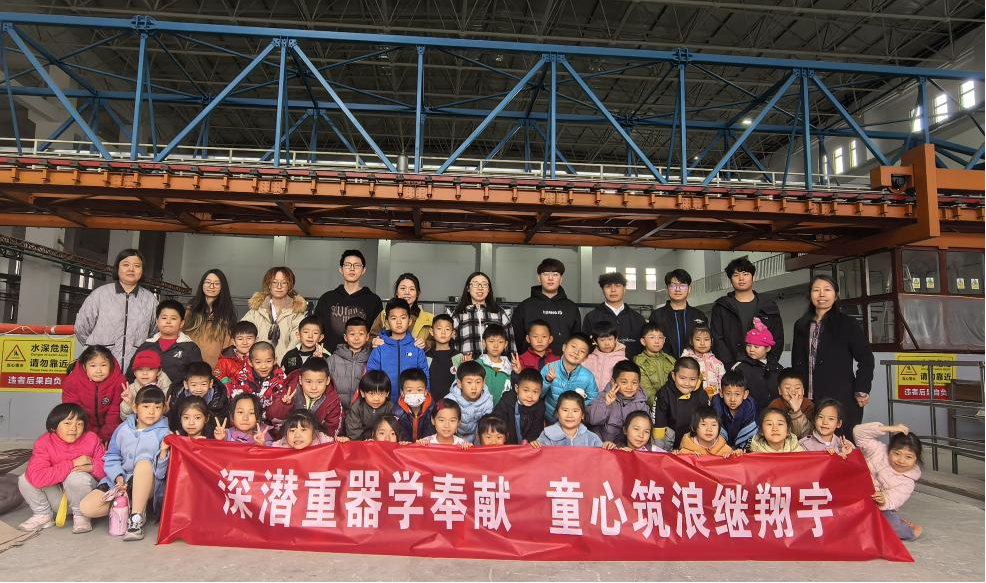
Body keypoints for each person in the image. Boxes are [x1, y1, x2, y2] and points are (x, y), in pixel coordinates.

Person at [79, 386, 170, 541]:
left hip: (149, 483)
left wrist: (163, 453)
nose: (152, 412)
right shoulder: (122, 429)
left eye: (157, 407)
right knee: (87, 508)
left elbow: (162, 473)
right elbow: (112, 456)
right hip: (121, 482)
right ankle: (128, 506)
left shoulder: (165, 432)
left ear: (163, 409)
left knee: (144, 463)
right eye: (146, 407)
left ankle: (136, 518)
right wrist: (118, 477)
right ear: (135, 407)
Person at [792, 274, 874, 438]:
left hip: (840, 397)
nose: (821, 294)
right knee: (807, 443)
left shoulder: (848, 324)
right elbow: (796, 361)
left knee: (841, 444)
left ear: (835, 295)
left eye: (827, 290)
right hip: (807, 399)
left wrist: (861, 388)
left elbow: (866, 358)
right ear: (810, 295)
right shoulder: (801, 325)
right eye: (816, 290)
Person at [17, 403, 106, 534]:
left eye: (79, 424)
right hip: (58, 499)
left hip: (86, 501)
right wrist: (72, 463)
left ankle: (81, 516)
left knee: (76, 476)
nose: (73, 428)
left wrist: (92, 466)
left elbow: (108, 469)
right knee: (25, 479)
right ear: (54, 426)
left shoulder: (91, 439)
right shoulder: (44, 442)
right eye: (67, 423)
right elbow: (37, 477)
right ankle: (43, 515)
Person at [75, 249, 157, 370]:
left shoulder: (150, 300)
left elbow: (155, 331)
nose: (131, 269)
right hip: (101, 367)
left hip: (135, 368)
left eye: (137, 266)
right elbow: (82, 327)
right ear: (117, 268)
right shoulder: (100, 295)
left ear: (142, 270)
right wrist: (96, 350)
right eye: (126, 264)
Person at [710, 257, 783, 369]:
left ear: (753, 277)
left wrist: (769, 363)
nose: (741, 278)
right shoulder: (721, 307)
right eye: (736, 275)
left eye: (745, 274)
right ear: (730, 279)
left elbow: (777, 338)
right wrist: (731, 366)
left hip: (764, 368)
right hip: (732, 368)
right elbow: (717, 339)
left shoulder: (768, 305)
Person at [854, 422, 923, 540]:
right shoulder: (878, 451)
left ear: (916, 460)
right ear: (889, 449)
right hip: (855, 493)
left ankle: (910, 531)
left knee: (890, 526)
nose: (901, 460)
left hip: (878, 506)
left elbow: (895, 498)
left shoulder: (908, 482)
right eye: (897, 453)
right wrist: (889, 428)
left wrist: (883, 500)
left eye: (908, 457)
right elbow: (858, 433)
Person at [313, 250, 384, 352]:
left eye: (357, 265)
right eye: (347, 265)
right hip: (329, 357)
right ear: (341, 269)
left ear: (363, 270)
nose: (352, 268)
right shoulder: (327, 298)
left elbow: (377, 333)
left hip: (363, 358)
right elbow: (316, 329)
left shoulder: (373, 301)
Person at [366, 298, 430, 403]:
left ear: (409, 321)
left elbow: (425, 376)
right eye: (394, 318)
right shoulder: (380, 348)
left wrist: (424, 402)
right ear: (387, 323)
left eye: (403, 318)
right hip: (384, 404)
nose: (399, 322)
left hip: (412, 405)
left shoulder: (416, 348)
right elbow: (371, 377)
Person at [512, 258, 581, 355]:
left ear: (561, 279)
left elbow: (576, 340)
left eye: (555, 274)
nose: (550, 278)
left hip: (563, 362)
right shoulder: (525, 306)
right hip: (529, 363)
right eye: (545, 274)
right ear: (539, 278)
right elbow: (516, 338)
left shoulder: (571, 308)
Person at [241, 267, 309, 363]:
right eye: (274, 282)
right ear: (269, 284)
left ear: (289, 285)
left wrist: (281, 362)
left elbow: (296, 342)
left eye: (284, 282)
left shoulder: (296, 313)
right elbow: (242, 337)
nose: (279, 286)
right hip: (257, 365)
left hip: (285, 365)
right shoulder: (256, 311)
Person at [129, 299, 202, 386]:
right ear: (157, 321)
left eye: (173, 318)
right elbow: (130, 376)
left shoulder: (190, 348)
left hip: (178, 394)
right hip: (147, 394)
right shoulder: (146, 346)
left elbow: (198, 378)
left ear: (182, 323)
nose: (168, 322)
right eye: (164, 318)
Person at [62, 346, 126, 443]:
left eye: (103, 365)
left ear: (111, 365)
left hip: (112, 432)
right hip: (82, 431)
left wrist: (105, 436)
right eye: (93, 366)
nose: (99, 370)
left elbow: (114, 412)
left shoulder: (119, 381)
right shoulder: (72, 381)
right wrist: (89, 436)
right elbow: (74, 412)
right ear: (84, 366)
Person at [266, 358, 342, 438]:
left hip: (316, 442)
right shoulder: (289, 390)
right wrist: (283, 405)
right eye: (308, 381)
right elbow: (271, 416)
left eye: (320, 382)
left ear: (327, 380)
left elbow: (332, 431)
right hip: (287, 440)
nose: (313, 387)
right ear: (300, 380)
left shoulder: (333, 401)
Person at [583, 271, 647, 359]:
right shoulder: (591, 317)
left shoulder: (638, 319)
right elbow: (585, 347)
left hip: (631, 366)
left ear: (624, 289)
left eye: (617, 285)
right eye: (608, 286)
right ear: (602, 290)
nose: (613, 290)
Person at [451, 271, 515, 358]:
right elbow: (450, 344)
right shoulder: (458, 314)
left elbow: (510, 342)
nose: (480, 288)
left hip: (495, 365)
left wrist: (511, 362)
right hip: (467, 365)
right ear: (468, 288)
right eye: (475, 284)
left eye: (484, 284)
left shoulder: (499, 313)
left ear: (489, 289)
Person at [650, 356, 708, 450]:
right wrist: (659, 452)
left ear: (698, 378)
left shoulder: (702, 395)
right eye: (682, 378)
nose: (687, 383)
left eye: (692, 379)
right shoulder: (664, 393)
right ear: (674, 376)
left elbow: (706, 421)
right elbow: (658, 423)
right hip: (668, 442)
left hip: (692, 442)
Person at [182, 269, 237, 368]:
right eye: (208, 282)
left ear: (222, 287)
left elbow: (228, 348)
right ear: (202, 285)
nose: (211, 286)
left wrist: (222, 370)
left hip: (214, 369)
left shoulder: (227, 314)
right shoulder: (190, 311)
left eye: (217, 283)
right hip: (188, 368)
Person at [650, 269, 709, 359]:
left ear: (689, 289)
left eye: (682, 285)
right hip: (664, 365)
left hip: (695, 365)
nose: (677, 289)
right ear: (667, 288)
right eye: (673, 285)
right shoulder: (657, 316)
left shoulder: (699, 316)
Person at [541, 333, 598, 423]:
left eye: (582, 351)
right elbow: (539, 394)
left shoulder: (588, 377)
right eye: (573, 347)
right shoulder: (549, 368)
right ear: (564, 347)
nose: (576, 352)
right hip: (549, 418)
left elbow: (593, 399)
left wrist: (577, 406)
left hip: (573, 422)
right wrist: (547, 381)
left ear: (585, 358)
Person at [587, 360, 648, 444]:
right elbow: (593, 421)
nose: (629, 387)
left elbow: (646, 430)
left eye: (634, 383)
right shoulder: (603, 397)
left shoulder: (641, 404)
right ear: (613, 382)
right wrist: (606, 404)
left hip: (627, 448)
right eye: (624, 382)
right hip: (603, 446)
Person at [226, 341, 287, 422]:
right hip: (247, 421)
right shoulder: (242, 377)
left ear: (275, 360)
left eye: (268, 361)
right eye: (258, 362)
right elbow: (237, 404)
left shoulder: (281, 378)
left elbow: (280, 409)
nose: (263, 366)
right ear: (250, 362)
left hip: (271, 423)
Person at [730, 318, 782, 411]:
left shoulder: (777, 367)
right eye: (748, 345)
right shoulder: (739, 368)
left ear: (768, 348)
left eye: (756, 346)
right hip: (750, 414)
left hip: (774, 413)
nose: (751, 349)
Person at [371, 273, 435, 346]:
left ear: (418, 293)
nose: (407, 292)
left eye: (412, 289)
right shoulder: (384, 314)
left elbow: (438, 343)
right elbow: (371, 337)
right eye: (403, 288)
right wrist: (373, 341)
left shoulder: (430, 319)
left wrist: (425, 344)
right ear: (396, 292)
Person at [327, 317, 371, 413]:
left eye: (361, 334)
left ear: (367, 337)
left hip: (362, 413)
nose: (356, 338)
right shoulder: (333, 360)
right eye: (352, 334)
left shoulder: (372, 359)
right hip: (336, 411)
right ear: (345, 337)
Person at [167, 361, 229, 430]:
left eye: (203, 384)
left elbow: (224, 421)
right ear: (186, 384)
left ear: (211, 383)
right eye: (194, 385)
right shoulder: (177, 397)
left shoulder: (219, 398)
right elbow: (174, 422)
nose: (199, 389)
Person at [492, 369, 546, 445]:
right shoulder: (506, 401)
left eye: (535, 392)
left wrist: (529, 440)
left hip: (527, 445)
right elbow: (497, 420)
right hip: (507, 443)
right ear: (517, 389)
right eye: (526, 390)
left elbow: (537, 428)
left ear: (540, 392)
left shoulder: (540, 407)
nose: (530, 396)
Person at [532, 391, 602, 448]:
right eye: (565, 410)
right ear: (557, 413)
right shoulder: (547, 435)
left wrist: (606, 446)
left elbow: (601, 455)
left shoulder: (592, 438)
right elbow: (538, 455)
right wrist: (534, 446)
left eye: (575, 411)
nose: (570, 415)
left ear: (582, 415)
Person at [447, 360, 494, 443]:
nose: (474, 387)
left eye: (478, 382)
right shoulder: (450, 400)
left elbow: (484, 428)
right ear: (459, 383)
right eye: (469, 382)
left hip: (477, 439)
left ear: (484, 383)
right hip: (454, 438)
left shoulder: (487, 402)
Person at [711, 371, 758, 450]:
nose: (732, 399)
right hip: (721, 446)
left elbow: (751, 434)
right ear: (721, 393)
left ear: (745, 394)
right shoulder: (716, 403)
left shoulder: (750, 406)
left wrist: (741, 449)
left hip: (744, 448)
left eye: (737, 394)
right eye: (728, 394)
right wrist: (724, 447)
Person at [634, 323, 676, 408]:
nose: (657, 341)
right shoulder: (639, 362)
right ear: (643, 341)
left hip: (675, 405)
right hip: (653, 408)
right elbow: (647, 393)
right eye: (652, 337)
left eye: (660, 337)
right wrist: (664, 407)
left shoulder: (671, 360)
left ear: (664, 340)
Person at [120, 350, 171, 420]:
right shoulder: (131, 390)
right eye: (140, 369)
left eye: (150, 369)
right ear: (134, 373)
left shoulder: (167, 390)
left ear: (158, 372)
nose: (145, 373)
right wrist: (129, 403)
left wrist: (166, 411)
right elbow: (124, 419)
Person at [426, 314, 465, 402]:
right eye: (439, 328)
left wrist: (467, 363)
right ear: (431, 331)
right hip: (431, 403)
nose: (443, 332)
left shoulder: (459, 357)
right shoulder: (426, 357)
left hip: (454, 404)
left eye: (447, 329)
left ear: (453, 333)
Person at [344, 370, 392, 440]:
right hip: (362, 442)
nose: (376, 399)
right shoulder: (357, 408)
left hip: (383, 441)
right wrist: (366, 441)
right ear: (363, 393)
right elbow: (353, 430)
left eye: (381, 394)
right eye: (371, 394)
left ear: (387, 394)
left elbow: (394, 430)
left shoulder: (390, 408)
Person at [681, 325, 726, 399]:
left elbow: (723, 385)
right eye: (698, 339)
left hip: (713, 402)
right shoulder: (684, 361)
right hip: (691, 401)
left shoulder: (717, 363)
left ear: (711, 341)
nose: (702, 343)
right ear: (691, 341)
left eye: (706, 339)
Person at [583, 320, 627, 394]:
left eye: (610, 339)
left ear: (616, 339)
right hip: (590, 399)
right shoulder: (587, 359)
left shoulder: (623, 361)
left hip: (612, 398)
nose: (607, 343)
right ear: (595, 341)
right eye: (602, 340)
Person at [676, 407, 741, 457]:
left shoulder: (725, 450)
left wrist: (736, 454)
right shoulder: (686, 450)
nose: (709, 429)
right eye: (704, 424)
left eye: (713, 425)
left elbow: (734, 464)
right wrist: (679, 454)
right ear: (694, 428)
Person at [769, 369, 815, 440]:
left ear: (803, 390)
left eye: (797, 388)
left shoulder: (808, 405)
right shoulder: (775, 405)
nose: (793, 392)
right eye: (787, 388)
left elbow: (805, 436)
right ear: (780, 391)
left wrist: (797, 411)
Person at [391, 368, 435, 442]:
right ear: (402, 393)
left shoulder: (432, 409)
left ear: (425, 392)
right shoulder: (397, 412)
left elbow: (433, 431)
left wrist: (426, 441)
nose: (414, 394)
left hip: (427, 445)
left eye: (419, 390)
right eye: (409, 390)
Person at [214, 321, 257, 393]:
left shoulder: (261, 358)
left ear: (256, 340)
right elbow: (217, 383)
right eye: (240, 339)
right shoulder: (224, 361)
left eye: (249, 338)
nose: (245, 342)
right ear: (233, 342)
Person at [272, 410, 348, 449]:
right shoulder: (278, 448)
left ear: (313, 432)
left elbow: (341, 452)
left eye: (303, 430)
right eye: (292, 430)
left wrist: (343, 442)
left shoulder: (325, 442)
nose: (297, 435)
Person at [477, 323, 513, 403]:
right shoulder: (477, 365)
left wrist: (518, 372)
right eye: (491, 341)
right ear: (484, 343)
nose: (496, 345)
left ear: (505, 344)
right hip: (481, 408)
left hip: (504, 409)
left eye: (500, 342)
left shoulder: (510, 367)